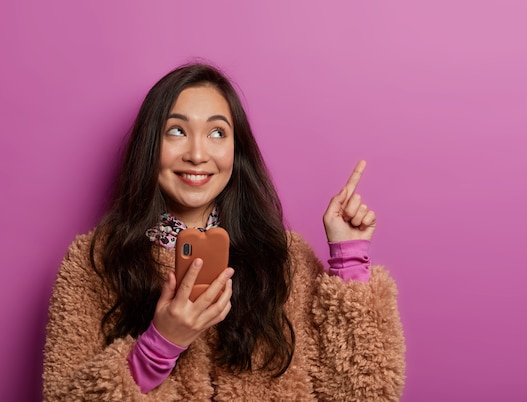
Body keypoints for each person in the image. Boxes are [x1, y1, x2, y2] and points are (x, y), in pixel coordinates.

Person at [43, 63, 406, 401]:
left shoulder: (284, 257)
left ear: (237, 150)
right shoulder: (95, 261)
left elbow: (367, 391)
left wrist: (349, 258)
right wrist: (159, 345)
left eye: (217, 132)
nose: (198, 154)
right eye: (177, 131)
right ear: (150, 144)